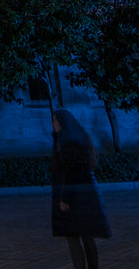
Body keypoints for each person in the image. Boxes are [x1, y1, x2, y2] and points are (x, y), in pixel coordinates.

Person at [52, 108, 111, 269]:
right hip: (85, 197)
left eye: (54, 120)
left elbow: (71, 173)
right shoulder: (78, 138)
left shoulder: (68, 142)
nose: (53, 124)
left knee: (74, 238)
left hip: (74, 198)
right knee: (86, 237)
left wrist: (64, 198)